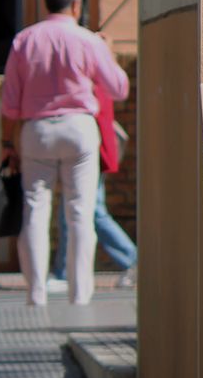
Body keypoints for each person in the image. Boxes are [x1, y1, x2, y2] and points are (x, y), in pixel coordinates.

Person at [1, 0, 130, 306]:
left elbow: (10, 103)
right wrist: (109, 54)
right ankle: (80, 294)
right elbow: (119, 88)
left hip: (37, 131)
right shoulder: (88, 40)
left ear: (46, 3)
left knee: (35, 210)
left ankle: (36, 292)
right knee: (80, 213)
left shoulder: (24, 40)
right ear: (76, 5)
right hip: (79, 129)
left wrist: (7, 143)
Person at [49, 91, 137, 292]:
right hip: (92, 149)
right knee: (84, 210)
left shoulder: (88, 82)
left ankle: (132, 259)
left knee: (86, 211)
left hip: (90, 150)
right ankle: (65, 271)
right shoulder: (93, 80)